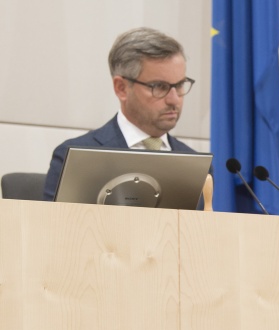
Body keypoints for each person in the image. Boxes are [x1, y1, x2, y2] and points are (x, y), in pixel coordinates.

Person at [43, 27, 201, 202]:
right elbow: (55, 227)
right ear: (122, 88)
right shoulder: (75, 159)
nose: (174, 99)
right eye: (159, 87)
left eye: (179, 85)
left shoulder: (196, 168)